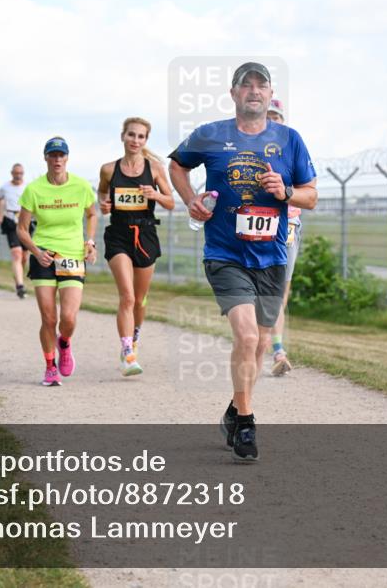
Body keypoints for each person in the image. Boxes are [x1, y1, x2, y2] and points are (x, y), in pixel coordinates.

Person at [168, 62, 317, 462]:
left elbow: (311, 196)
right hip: (225, 253)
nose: (253, 91)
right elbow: (177, 165)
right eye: (245, 85)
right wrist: (190, 200)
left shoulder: (289, 139)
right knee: (248, 337)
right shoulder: (211, 135)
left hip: (271, 256)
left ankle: (235, 409)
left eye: (261, 85)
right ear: (233, 94)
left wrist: (285, 191)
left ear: (270, 96)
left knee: (262, 342)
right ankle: (247, 423)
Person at [17, 137, 98, 386]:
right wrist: (35, 251)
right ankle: (50, 366)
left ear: (67, 158)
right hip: (44, 256)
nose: (57, 160)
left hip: (72, 255)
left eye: (61, 155)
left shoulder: (81, 186)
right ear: (45, 158)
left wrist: (90, 241)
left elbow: (92, 213)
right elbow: (21, 229)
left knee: (69, 318)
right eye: (52, 155)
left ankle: (64, 343)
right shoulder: (34, 189)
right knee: (49, 318)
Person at [97, 117, 175, 376]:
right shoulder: (109, 169)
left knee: (140, 300)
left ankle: (135, 337)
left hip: (146, 235)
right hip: (118, 235)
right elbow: (102, 194)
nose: (135, 140)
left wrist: (155, 195)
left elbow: (171, 202)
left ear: (145, 141)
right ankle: (127, 352)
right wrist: (104, 204)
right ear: (123, 136)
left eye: (141, 137)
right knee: (128, 297)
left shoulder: (154, 170)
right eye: (131, 135)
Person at [265, 99, 300, 376]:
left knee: (279, 296)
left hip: (288, 225)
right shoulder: (246, 150)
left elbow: (308, 191)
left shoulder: (294, 152)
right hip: (258, 227)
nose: (273, 122)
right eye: (268, 117)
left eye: (277, 118)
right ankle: (270, 346)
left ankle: (277, 349)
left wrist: (285, 191)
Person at [0, 163, 30, 298]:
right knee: (16, 253)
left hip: (26, 220)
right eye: (16, 173)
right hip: (10, 219)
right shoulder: (5, 187)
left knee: (24, 256)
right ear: (12, 173)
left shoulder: (27, 187)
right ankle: (20, 286)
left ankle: (18, 274)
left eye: (20, 173)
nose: (18, 176)